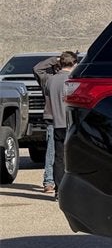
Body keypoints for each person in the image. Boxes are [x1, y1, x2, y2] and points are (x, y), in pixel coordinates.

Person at [46, 51, 78, 200]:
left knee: (58, 158)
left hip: (56, 122)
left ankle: (59, 190)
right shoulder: (71, 79)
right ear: (74, 63)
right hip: (70, 123)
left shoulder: (51, 81)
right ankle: (72, 190)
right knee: (73, 158)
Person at [32, 54, 62, 193]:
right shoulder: (48, 80)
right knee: (52, 151)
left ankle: (59, 181)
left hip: (65, 119)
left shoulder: (71, 77)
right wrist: (54, 60)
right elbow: (37, 69)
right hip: (53, 119)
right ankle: (49, 181)